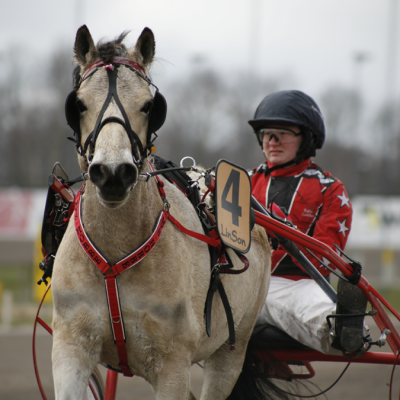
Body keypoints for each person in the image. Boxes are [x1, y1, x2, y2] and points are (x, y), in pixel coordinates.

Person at [248, 90, 368, 356]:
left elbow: (324, 256)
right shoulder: (241, 183)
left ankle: (345, 328)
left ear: (307, 139)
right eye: (267, 133)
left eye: (283, 133)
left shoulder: (330, 189)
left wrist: (281, 236)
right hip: (243, 279)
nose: (272, 141)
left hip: (297, 283)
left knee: (326, 319)